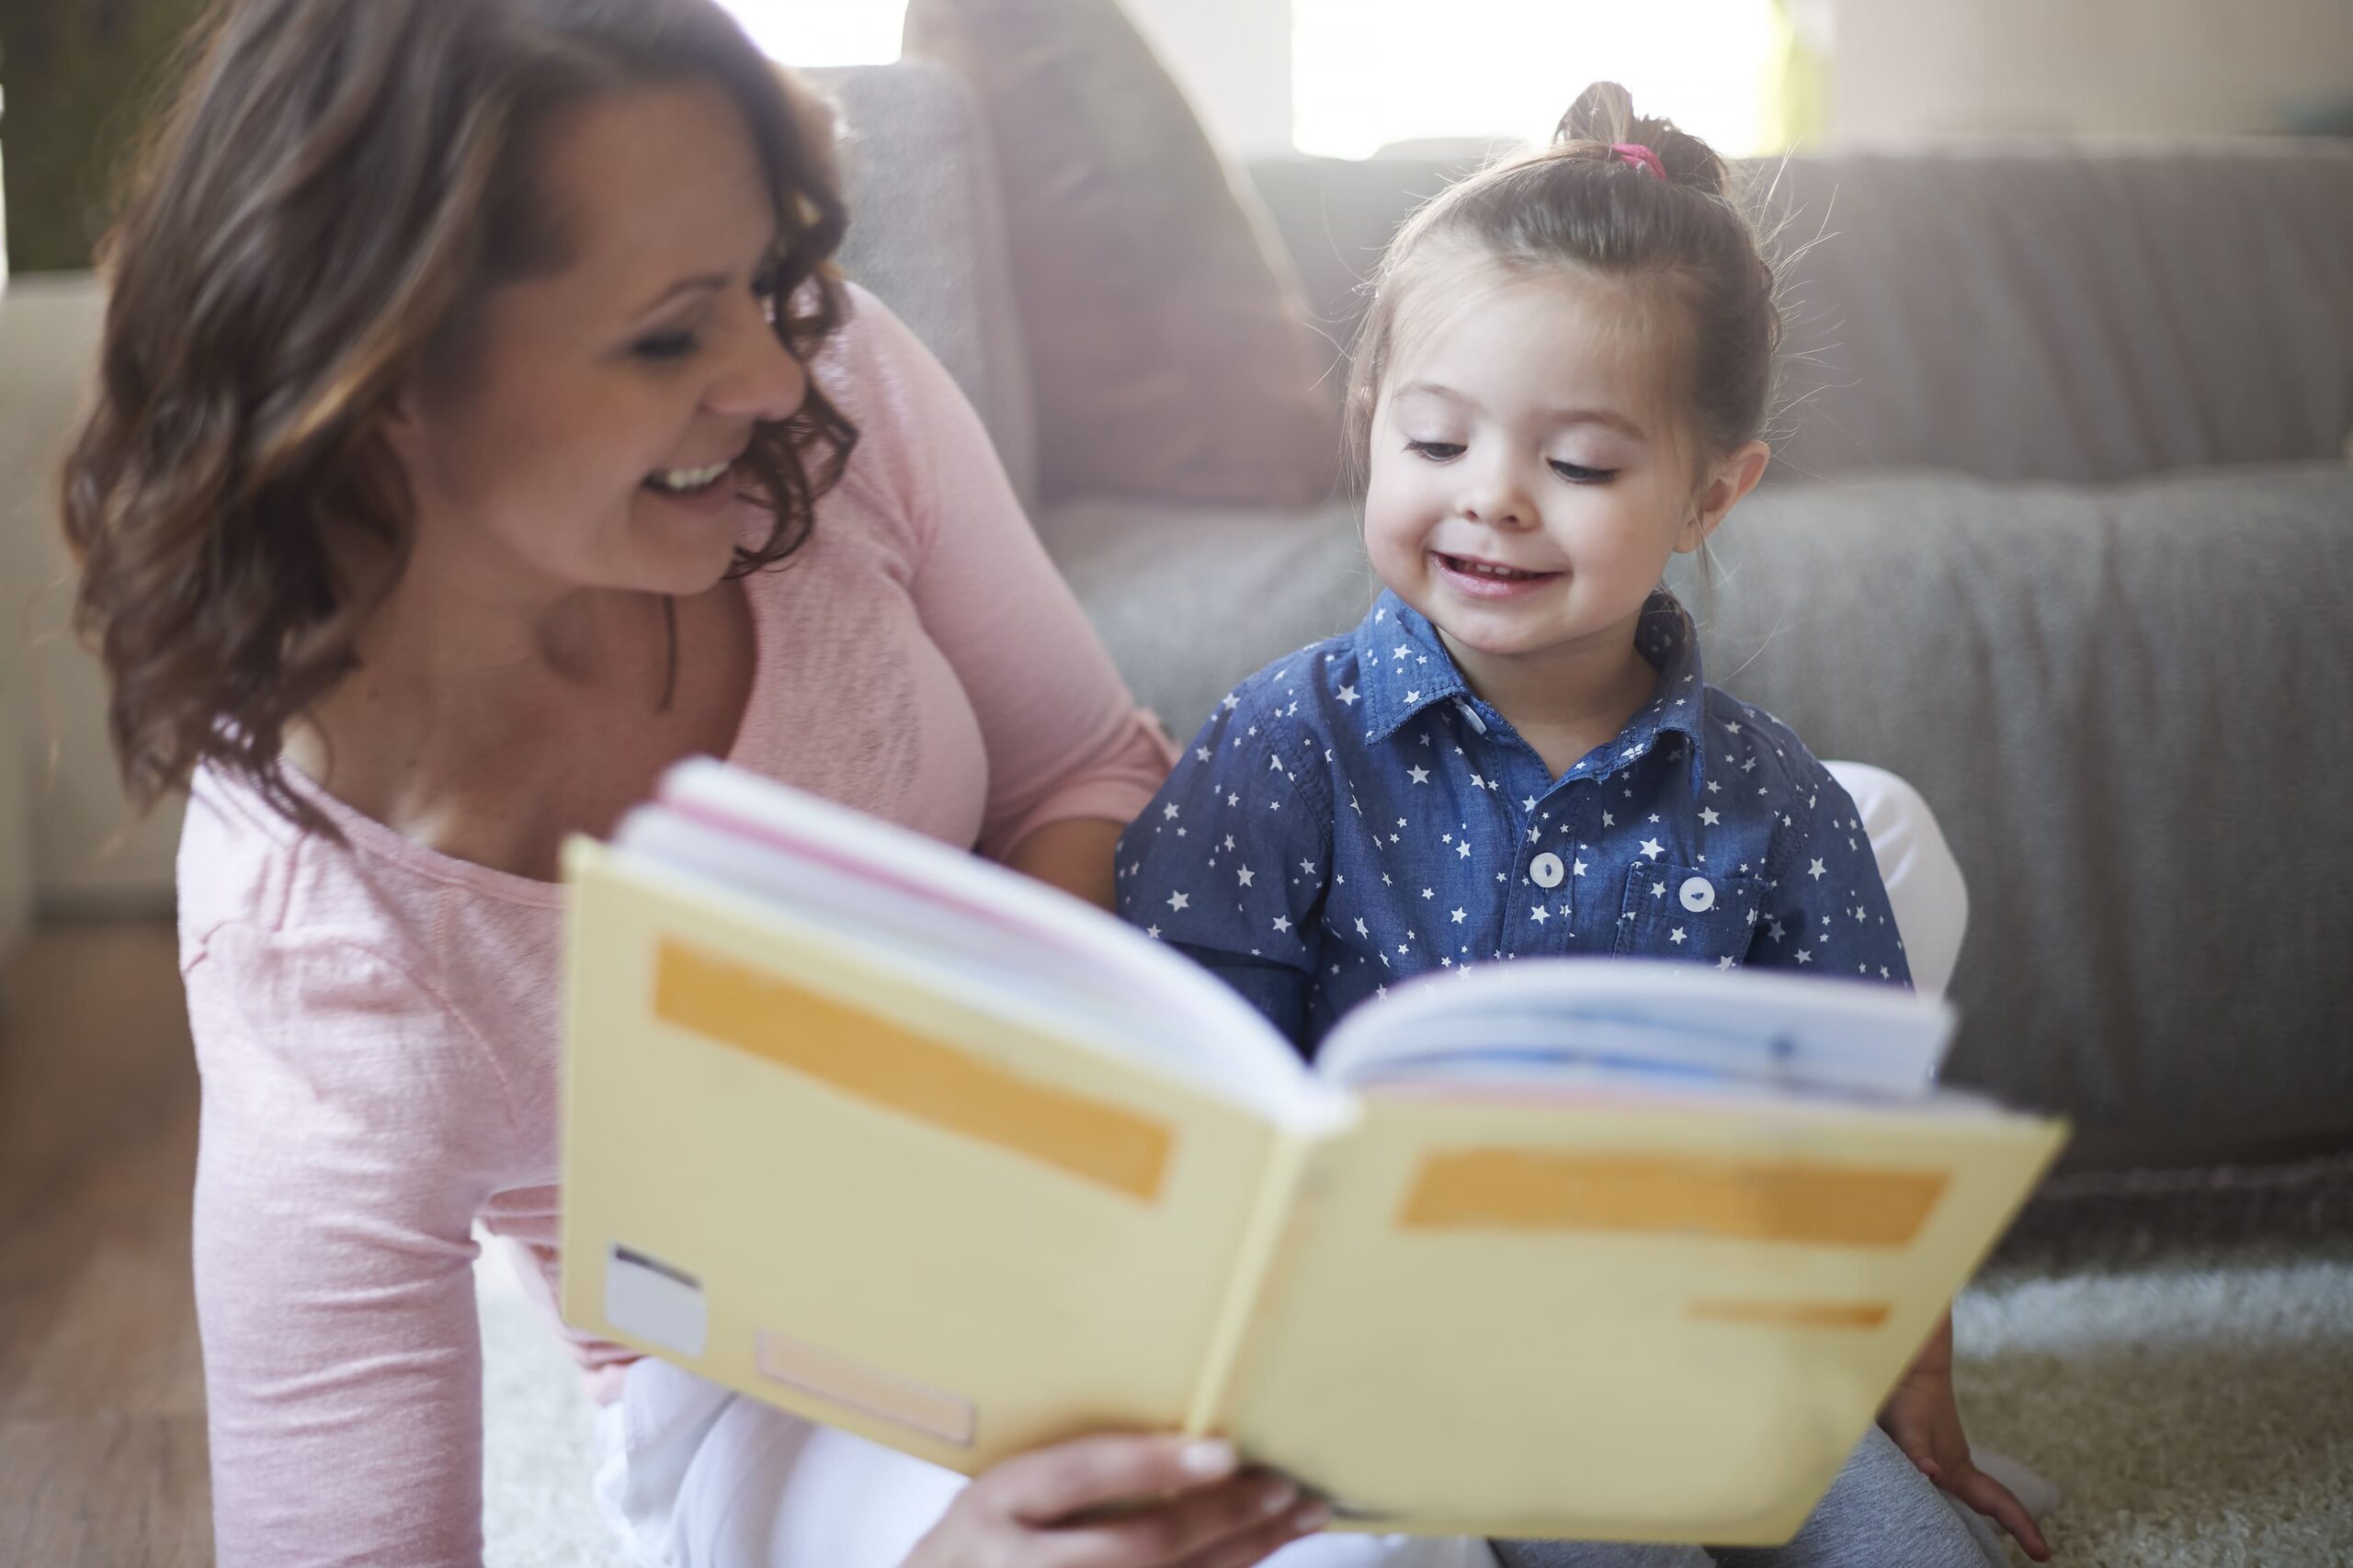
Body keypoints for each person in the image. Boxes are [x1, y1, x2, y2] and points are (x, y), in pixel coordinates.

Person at [62, 2, 1329, 1563]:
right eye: (670, 331)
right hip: (766, 1386)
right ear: (382, 371)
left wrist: (1046, 1154)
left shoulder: (830, 381)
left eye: (761, 286)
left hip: (1078, 1223)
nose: (777, 378)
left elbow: (1080, 763)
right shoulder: (329, 960)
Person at [1113, 84, 2052, 1568]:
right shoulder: (1281, 744)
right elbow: (1178, 1073)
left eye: (1581, 465)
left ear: (1709, 492)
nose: (1493, 500)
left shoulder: (1773, 798)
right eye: (1435, 443)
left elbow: (1868, 1150)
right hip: (1385, 1374)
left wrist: (1911, 1390)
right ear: (1371, 429)